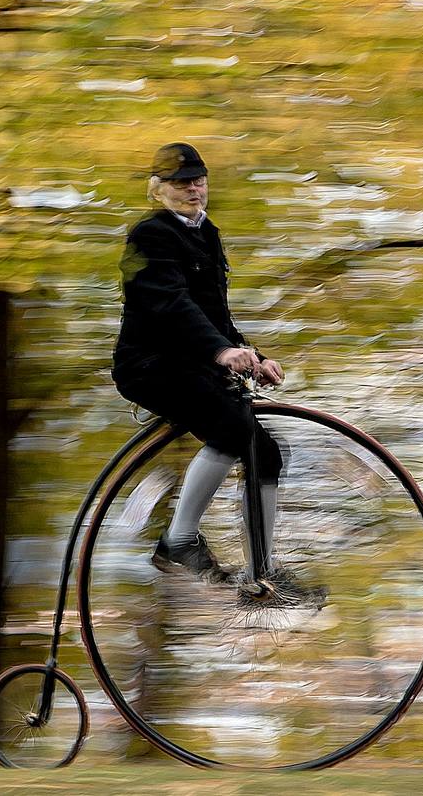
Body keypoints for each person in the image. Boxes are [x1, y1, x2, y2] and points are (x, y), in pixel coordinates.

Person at [112, 142, 285, 586]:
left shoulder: (207, 234)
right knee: (232, 429)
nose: (193, 188)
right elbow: (171, 305)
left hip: (195, 365)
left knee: (265, 454)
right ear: (159, 190)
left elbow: (214, 316)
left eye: (198, 179)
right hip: (151, 366)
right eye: (181, 182)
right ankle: (179, 540)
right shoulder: (149, 235)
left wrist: (252, 356)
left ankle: (261, 574)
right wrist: (221, 353)